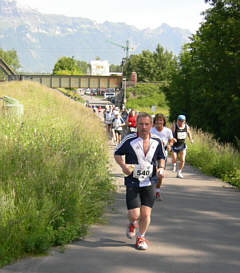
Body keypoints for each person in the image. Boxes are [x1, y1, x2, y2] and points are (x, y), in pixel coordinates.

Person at [114, 112, 166, 250]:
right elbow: (117, 153)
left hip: (150, 181)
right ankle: (132, 223)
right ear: (136, 125)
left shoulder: (157, 140)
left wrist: (161, 168)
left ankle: (141, 237)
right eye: (141, 124)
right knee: (134, 214)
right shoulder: (129, 139)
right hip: (133, 181)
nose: (144, 127)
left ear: (151, 125)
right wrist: (123, 166)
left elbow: (162, 157)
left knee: (146, 214)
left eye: (147, 124)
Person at [150, 113, 175, 200]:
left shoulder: (167, 131)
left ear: (163, 121)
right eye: (157, 120)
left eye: (160, 120)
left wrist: (169, 145)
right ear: (155, 121)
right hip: (151, 155)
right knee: (153, 174)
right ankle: (150, 191)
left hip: (163, 156)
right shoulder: (151, 130)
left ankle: (157, 192)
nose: (159, 122)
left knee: (160, 175)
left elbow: (171, 140)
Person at [171, 114, 194, 179]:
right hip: (175, 145)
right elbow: (170, 134)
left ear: (185, 121)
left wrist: (191, 139)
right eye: (180, 120)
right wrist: (172, 139)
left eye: (182, 121)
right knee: (174, 159)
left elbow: (189, 133)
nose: (181, 122)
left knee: (183, 160)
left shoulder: (186, 127)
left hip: (182, 145)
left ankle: (179, 172)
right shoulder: (174, 126)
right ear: (177, 120)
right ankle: (174, 164)